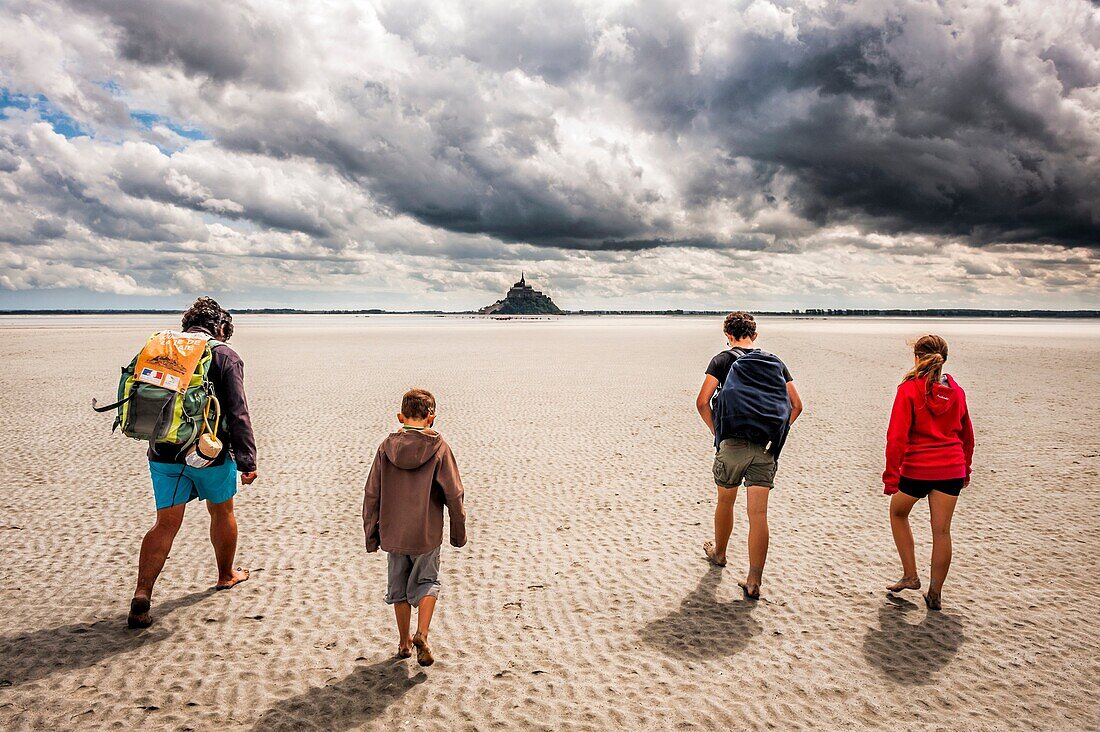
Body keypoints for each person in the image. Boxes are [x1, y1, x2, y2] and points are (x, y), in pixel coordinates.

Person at [128, 297, 257, 629]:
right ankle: (226, 574)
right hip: (210, 453)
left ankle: (143, 592)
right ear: (222, 328)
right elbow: (238, 411)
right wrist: (247, 460)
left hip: (163, 452)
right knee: (222, 511)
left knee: (165, 524)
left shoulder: (163, 349)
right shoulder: (224, 355)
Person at [695, 312, 803, 599]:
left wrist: (717, 433)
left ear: (728, 335)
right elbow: (796, 405)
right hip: (766, 447)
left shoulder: (722, 359)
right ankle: (754, 580)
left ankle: (719, 554)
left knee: (725, 502)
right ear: (754, 335)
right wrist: (776, 432)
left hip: (732, 444)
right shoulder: (774, 361)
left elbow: (702, 402)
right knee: (758, 514)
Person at [363, 388, 467, 666]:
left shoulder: (386, 447)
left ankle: (404, 643)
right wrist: (458, 531)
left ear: (400, 416)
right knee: (427, 582)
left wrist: (371, 535)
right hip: (426, 533)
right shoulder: (439, 448)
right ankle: (422, 633)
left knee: (398, 587)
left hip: (393, 532)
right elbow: (454, 493)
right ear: (431, 417)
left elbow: (372, 492)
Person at [883, 335, 974, 611]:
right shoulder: (956, 392)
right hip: (951, 467)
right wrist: (966, 468)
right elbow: (968, 435)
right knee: (942, 531)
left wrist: (891, 477)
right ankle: (935, 592)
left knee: (898, 513)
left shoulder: (909, 389)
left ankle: (911, 575)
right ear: (943, 359)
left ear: (916, 358)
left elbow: (896, 437)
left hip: (918, 469)